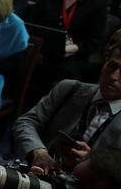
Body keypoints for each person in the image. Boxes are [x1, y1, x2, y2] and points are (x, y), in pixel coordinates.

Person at [12, 41, 121, 173]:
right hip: (39, 174)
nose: (113, 77)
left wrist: (92, 162)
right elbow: (26, 122)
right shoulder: (69, 89)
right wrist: (38, 150)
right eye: (112, 66)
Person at [30, 0, 106, 81]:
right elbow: (33, 25)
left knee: (65, 73)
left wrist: (69, 49)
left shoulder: (96, 6)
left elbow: (93, 42)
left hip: (73, 56)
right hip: (44, 50)